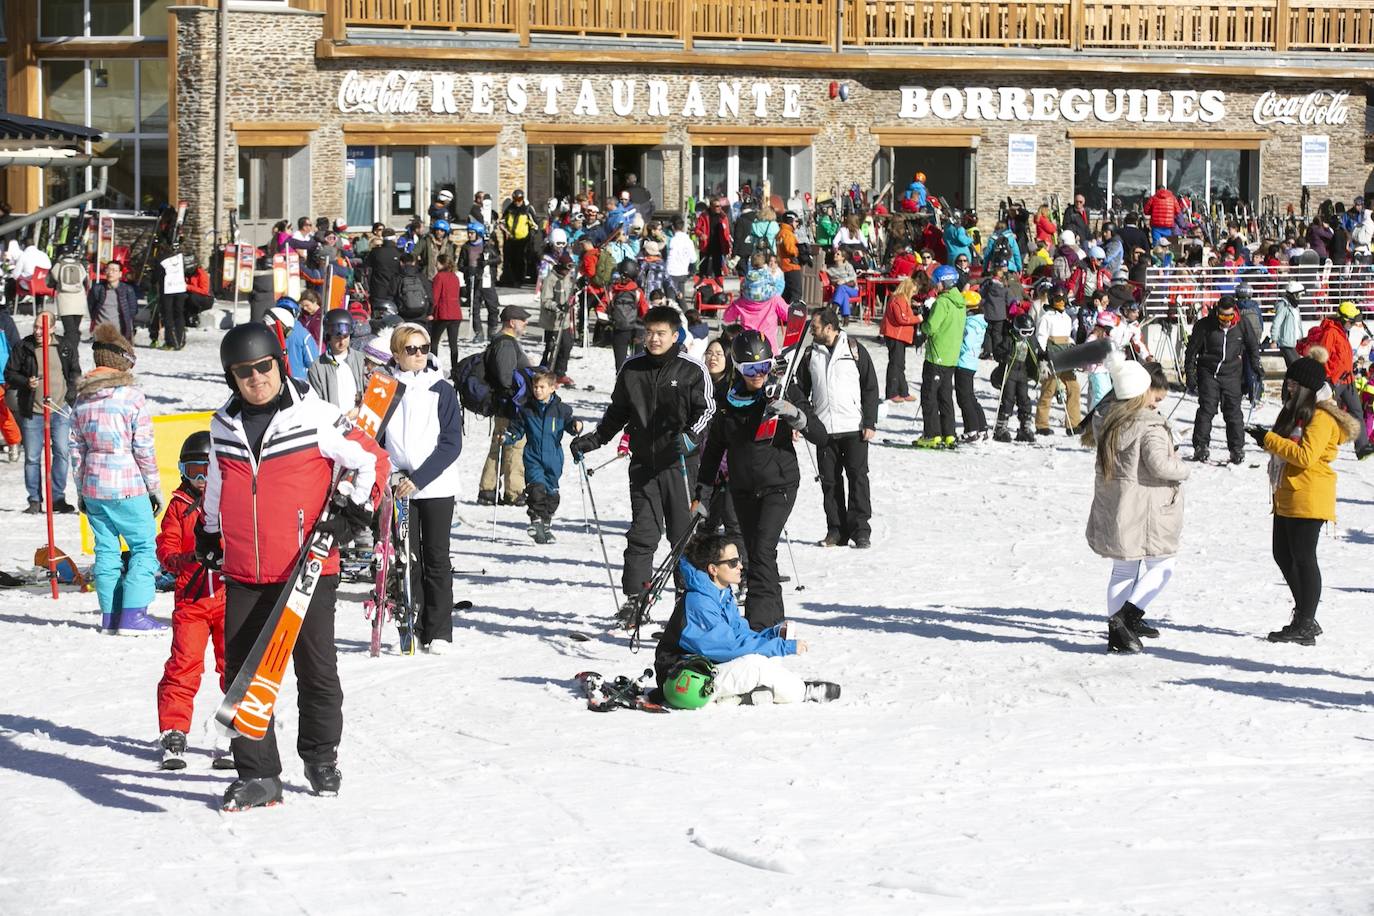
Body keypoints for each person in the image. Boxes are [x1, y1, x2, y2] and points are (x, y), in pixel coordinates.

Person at [201, 323, 384, 811]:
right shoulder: (222, 426)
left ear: (280, 365)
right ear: (231, 377)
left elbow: (372, 459)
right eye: (244, 372)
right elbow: (218, 480)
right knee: (243, 675)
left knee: (315, 668)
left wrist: (353, 510)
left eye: (264, 367)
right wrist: (210, 530)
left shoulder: (316, 416)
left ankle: (320, 757)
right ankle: (259, 774)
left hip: (308, 567)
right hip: (246, 569)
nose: (256, 378)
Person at [571, 305, 715, 625]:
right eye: (649, 333)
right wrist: (595, 440)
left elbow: (707, 410)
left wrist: (691, 437)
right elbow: (617, 412)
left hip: (680, 464)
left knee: (682, 535)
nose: (654, 339)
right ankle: (636, 599)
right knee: (642, 533)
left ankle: (688, 599)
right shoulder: (632, 368)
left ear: (675, 336)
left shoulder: (692, 369)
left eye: (660, 333)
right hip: (644, 466)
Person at [695, 330, 825, 630]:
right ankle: (773, 619)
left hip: (779, 484)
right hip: (742, 488)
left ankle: (758, 622)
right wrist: (701, 495)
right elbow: (713, 452)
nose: (759, 375)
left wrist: (795, 415)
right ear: (738, 367)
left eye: (764, 367)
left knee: (762, 549)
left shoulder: (784, 389)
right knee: (755, 553)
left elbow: (821, 436)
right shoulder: (728, 399)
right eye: (750, 369)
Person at [1245, 355, 1358, 645]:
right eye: (1289, 382)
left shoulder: (1322, 416)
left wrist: (1269, 440)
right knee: (1283, 555)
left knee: (1304, 559)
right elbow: (1287, 446)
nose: (1289, 388)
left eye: (1295, 384)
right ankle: (1305, 615)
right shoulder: (1296, 411)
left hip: (1309, 493)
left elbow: (1305, 456)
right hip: (1288, 493)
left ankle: (1305, 622)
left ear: (1308, 387)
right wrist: (1265, 437)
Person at [653, 534, 840, 707]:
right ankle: (803, 691)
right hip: (683, 680)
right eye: (733, 562)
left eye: (739, 559)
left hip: (707, 669)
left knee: (767, 656)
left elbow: (740, 634)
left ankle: (742, 696)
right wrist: (783, 647)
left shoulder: (722, 594)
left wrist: (772, 635)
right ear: (713, 569)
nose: (740, 566)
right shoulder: (699, 602)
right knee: (755, 665)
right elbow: (729, 647)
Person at [1085, 358, 1188, 653]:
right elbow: (1160, 465)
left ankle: (1117, 633)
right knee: (1163, 565)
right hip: (1146, 507)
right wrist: (1183, 468)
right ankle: (1126, 618)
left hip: (1118, 504)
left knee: (1123, 569)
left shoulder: (1106, 417)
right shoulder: (1150, 426)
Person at [70, 324, 164, 634]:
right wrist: (154, 488)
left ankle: (110, 616)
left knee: (107, 549)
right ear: (122, 362)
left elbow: (76, 449)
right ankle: (134, 615)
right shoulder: (131, 397)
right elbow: (144, 448)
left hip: (94, 485)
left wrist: (81, 490)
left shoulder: (82, 399)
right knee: (143, 547)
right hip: (128, 484)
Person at [382, 323, 463, 654]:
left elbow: (451, 443)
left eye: (424, 348)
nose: (419, 355)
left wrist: (420, 478)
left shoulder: (441, 389)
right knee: (407, 558)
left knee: (436, 557)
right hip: (398, 484)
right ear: (396, 353)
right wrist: (388, 474)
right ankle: (411, 623)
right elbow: (373, 437)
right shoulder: (384, 387)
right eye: (411, 349)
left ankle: (439, 629)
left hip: (435, 485)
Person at [155, 431, 227, 769]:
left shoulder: (228, 502)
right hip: (192, 603)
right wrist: (180, 559)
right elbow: (167, 544)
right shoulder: (179, 507)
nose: (201, 480)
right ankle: (174, 730)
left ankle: (239, 730)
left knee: (235, 665)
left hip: (228, 598)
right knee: (184, 665)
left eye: (207, 471)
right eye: (194, 471)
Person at [800, 308, 879, 548]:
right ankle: (836, 530)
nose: (811, 331)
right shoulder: (810, 354)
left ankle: (861, 530)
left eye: (815, 327)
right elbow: (801, 392)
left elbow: (870, 387)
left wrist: (870, 421)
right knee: (829, 482)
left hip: (854, 427)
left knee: (858, 479)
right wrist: (801, 422)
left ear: (829, 327)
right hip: (823, 430)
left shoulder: (854, 349)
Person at [5, 311, 80, 513]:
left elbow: (75, 372)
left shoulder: (65, 346)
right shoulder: (24, 346)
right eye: (35, 327)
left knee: (62, 452)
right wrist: (25, 382)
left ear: (52, 328)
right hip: (33, 410)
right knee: (32, 457)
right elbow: (9, 373)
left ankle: (58, 498)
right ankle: (34, 500)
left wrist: (70, 395)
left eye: (42, 327)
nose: (37, 331)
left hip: (59, 409)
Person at [505, 369, 582, 545]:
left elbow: (570, 424)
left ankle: (545, 526)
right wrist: (509, 436)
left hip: (554, 458)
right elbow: (517, 429)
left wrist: (576, 425)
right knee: (536, 489)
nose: (538, 390)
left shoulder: (561, 410)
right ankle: (536, 520)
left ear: (552, 388)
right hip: (533, 456)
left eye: (542, 387)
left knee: (552, 495)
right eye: (535, 387)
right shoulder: (526, 409)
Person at [1184, 294, 1262, 464]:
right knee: (1207, 409)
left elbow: (1252, 346)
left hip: (1232, 374)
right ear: (1217, 312)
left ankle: (1236, 449)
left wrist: (1256, 365)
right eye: (1222, 317)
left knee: (1233, 412)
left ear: (1235, 313)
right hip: (1209, 372)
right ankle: (1201, 446)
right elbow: (1191, 351)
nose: (1226, 321)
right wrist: (1190, 374)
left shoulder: (1242, 324)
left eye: (1229, 317)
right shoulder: (1205, 326)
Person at [1297, 301, 1371, 459]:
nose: (1353, 324)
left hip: (1348, 380)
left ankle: (1362, 447)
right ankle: (1312, 442)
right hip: (1334, 381)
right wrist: (1328, 378)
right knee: (1325, 413)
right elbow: (1322, 356)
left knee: (1357, 411)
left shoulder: (1343, 331)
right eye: (1351, 321)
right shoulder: (1331, 332)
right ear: (1344, 319)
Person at [478, 306, 532, 505]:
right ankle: (514, 492)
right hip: (510, 406)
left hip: (507, 405)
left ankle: (488, 490)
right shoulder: (506, 344)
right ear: (512, 322)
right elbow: (505, 378)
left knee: (500, 446)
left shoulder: (503, 342)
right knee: (514, 447)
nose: (526, 323)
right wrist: (518, 398)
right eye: (522, 320)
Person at [915, 265, 965, 449]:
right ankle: (948, 433)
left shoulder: (942, 303)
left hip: (937, 356)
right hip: (951, 357)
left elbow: (931, 327)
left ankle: (932, 435)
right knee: (945, 396)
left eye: (937, 282)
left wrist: (924, 322)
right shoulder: (960, 303)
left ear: (945, 283)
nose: (935, 285)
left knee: (929, 396)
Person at [1034, 289, 1083, 436]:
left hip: (1065, 354)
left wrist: (1073, 346)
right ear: (1051, 300)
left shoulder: (1067, 317)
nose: (1061, 302)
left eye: (1063, 299)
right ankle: (1041, 424)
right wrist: (1042, 354)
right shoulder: (1046, 317)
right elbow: (1041, 336)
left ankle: (1073, 423)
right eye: (1057, 299)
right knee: (1049, 389)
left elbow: (1068, 337)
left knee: (1074, 388)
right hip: (1052, 354)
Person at [878, 272, 926, 403]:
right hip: (895, 335)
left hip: (898, 335)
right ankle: (892, 392)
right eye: (913, 290)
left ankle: (903, 391)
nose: (914, 293)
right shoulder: (898, 299)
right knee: (895, 364)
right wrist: (918, 318)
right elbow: (902, 318)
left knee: (900, 364)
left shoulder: (902, 299)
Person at [308, 308, 366, 411]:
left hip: (359, 417)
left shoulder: (360, 359)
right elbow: (315, 403)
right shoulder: (317, 367)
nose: (342, 342)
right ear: (328, 337)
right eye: (337, 337)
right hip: (333, 419)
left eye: (345, 337)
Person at [993, 312, 1039, 443]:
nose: (1027, 335)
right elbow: (997, 351)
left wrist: (1044, 356)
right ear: (1017, 329)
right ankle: (1001, 427)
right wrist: (1003, 356)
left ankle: (1025, 427)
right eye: (1024, 332)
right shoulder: (1009, 338)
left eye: (1030, 332)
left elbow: (1038, 350)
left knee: (1024, 399)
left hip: (1023, 372)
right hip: (1010, 372)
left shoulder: (1031, 339)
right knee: (1008, 398)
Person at [723, 263, 790, 352]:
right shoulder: (774, 299)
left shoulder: (741, 302)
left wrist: (735, 302)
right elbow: (789, 315)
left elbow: (727, 317)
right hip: (769, 346)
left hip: (747, 345)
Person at [538, 253, 576, 387]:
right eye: (566, 269)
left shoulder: (567, 278)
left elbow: (571, 291)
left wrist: (579, 286)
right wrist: (558, 306)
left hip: (564, 321)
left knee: (567, 345)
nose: (567, 272)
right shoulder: (550, 279)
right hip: (552, 322)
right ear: (560, 267)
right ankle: (544, 372)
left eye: (569, 270)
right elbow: (545, 301)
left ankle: (560, 373)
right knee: (551, 348)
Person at [956, 289, 989, 441]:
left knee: (964, 398)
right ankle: (981, 427)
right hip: (970, 362)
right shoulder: (978, 322)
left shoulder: (971, 323)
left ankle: (972, 429)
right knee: (969, 396)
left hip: (964, 362)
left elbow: (966, 344)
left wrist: (954, 348)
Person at [607, 259, 648, 371]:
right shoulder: (637, 291)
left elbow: (603, 308)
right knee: (638, 363)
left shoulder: (612, 291)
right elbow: (644, 312)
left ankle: (621, 380)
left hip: (619, 330)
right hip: (637, 330)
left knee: (620, 363)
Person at [427, 252, 463, 379]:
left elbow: (435, 297)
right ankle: (455, 369)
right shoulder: (455, 277)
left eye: (437, 262)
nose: (435, 265)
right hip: (455, 313)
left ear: (442, 264)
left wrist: (430, 312)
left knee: (434, 341)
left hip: (443, 313)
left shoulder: (439, 277)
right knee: (453, 344)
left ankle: (433, 368)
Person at [88, 260, 138, 341]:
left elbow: (133, 310)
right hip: (100, 332)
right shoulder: (97, 289)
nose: (110, 273)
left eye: (114, 270)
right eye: (108, 269)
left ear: (120, 274)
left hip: (119, 333)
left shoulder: (127, 290)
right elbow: (91, 307)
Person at [501, 189, 538, 286]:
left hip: (524, 240)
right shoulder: (509, 209)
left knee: (522, 260)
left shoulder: (527, 209)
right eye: (516, 199)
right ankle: (512, 279)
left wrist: (531, 236)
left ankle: (520, 280)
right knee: (511, 260)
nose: (518, 202)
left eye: (520, 199)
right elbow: (502, 221)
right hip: (512, 240)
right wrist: (505, 231)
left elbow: (535, 225)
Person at [1268, 281, 1305, 367]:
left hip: (1296, 342)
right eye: (1299, 295)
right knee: (1295, 366)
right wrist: (1274, 340)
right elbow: (1276, 323)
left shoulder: (1295, 307)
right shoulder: (1283, 305)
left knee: (1295, 367)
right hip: (1286, 343)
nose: (1300, 298)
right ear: (1293, 294)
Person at [363, 229, 402, 310]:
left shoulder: (375, 252)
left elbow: (366, 267)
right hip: (395, 290)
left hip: (378, 289)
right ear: (394, 239)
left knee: (377, 314)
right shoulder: (399, 253)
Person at [695, 197, 732, 279]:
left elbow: (727, 232)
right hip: (706, 244)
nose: (719, 208)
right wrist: (701, 234)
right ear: (711, 207)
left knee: (717, 268)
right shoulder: (704, 216)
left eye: (720, 206)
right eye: (717, 206)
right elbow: (697, 229)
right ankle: (702, 282)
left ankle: (718, 283)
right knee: (703, 268)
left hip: (718, 245)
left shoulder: (723, 217)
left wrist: (727, 247)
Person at [828, 248, 861, 323]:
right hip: (840, 291)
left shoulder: (848, 266)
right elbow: (831, 280)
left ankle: (834, 308)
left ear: (843, 258)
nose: (835, 255)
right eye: (835, 253)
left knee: (842, 287)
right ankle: (846, 318)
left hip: (853, 290)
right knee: (844, 294)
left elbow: (853, 277)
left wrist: (844, 280)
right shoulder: (831, 269)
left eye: (838, 254)